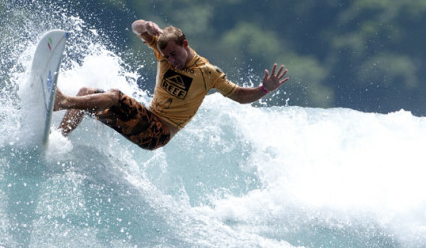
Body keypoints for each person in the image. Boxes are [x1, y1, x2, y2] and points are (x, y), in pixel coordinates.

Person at [53, 19, 289, 150]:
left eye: (175, 54)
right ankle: (56, 139)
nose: (172, 61)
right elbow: (135, 27)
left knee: (114, 96)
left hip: (158, 133)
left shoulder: (208, 73)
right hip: (144, 119)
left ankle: (61, 101)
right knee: (86, 94)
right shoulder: (162, 49)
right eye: (167, 58)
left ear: (185, 43)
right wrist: (146, 26)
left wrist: (265, 89)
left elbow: (239, 95)